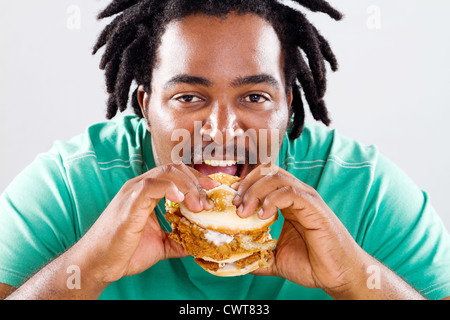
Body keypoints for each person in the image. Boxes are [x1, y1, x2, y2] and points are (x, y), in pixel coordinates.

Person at [1, 0, 449, 300]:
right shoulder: (68, 186)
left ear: (288, 106)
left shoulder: (364, 189)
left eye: (254, 97)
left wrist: (354, 279)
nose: (220, 131)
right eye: (189, 97)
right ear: (145, 106)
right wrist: (87, 269)